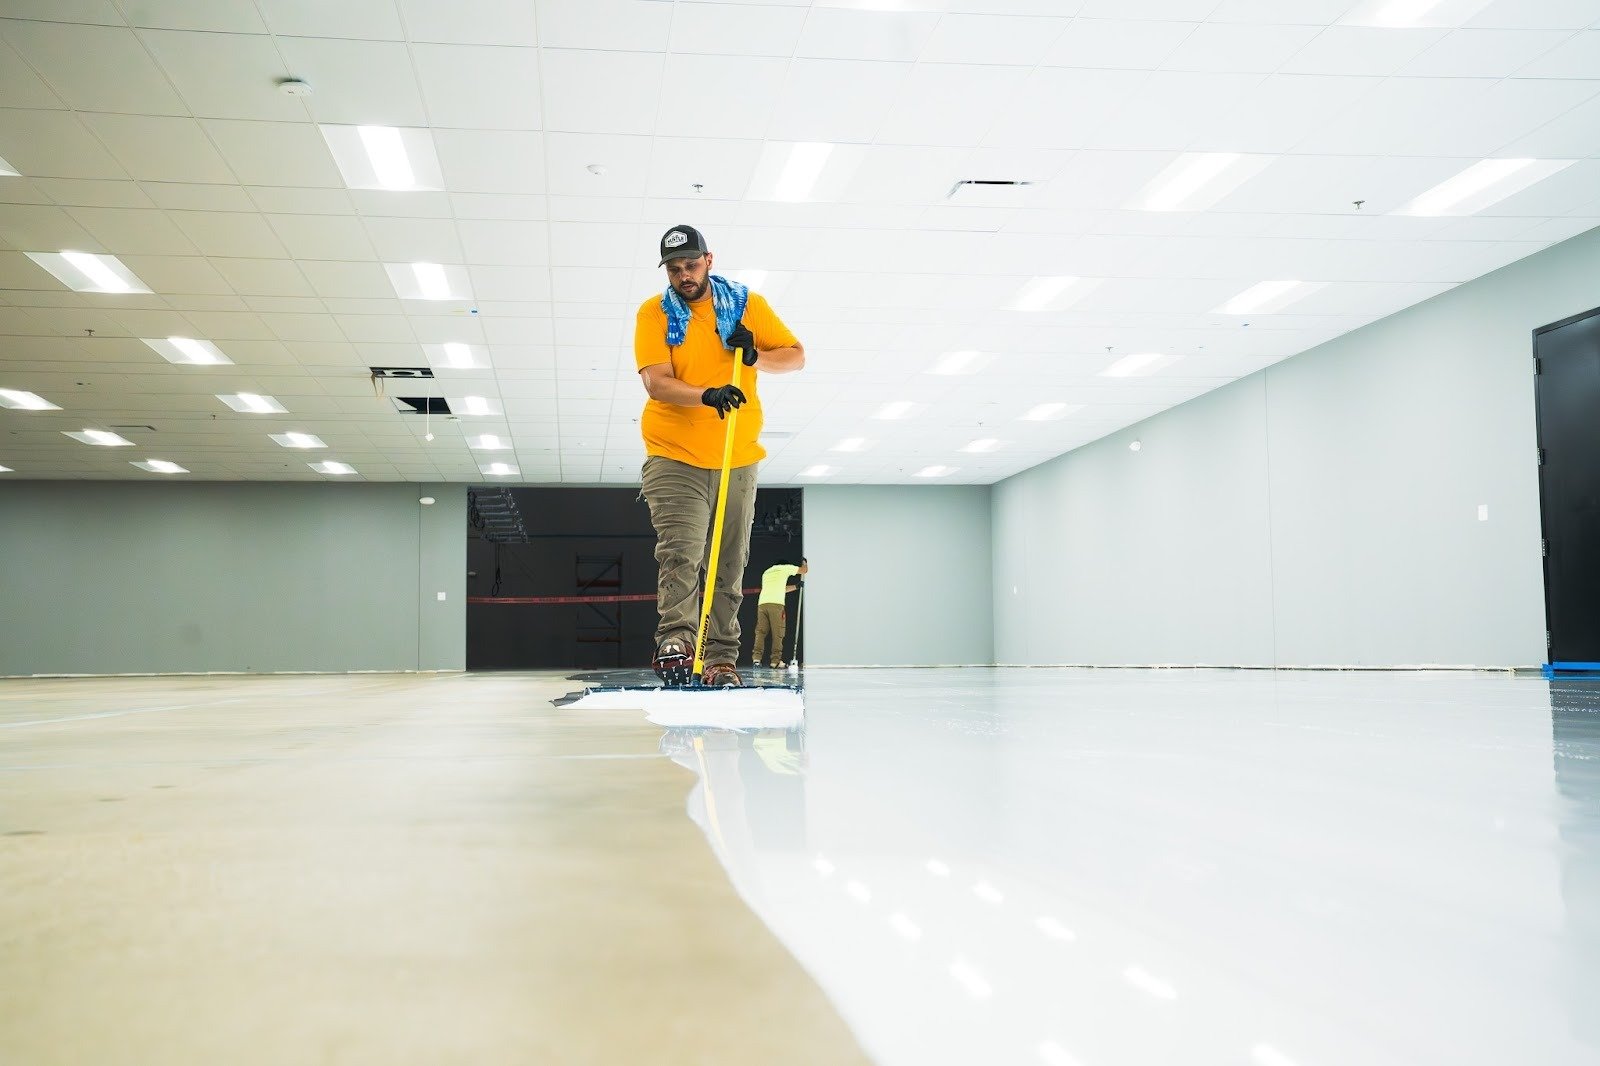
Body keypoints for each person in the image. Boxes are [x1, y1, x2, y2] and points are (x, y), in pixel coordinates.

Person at [635, 225, 805, 688]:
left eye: (690, 264)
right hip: (674, 454)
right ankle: (676, 640)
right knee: (682, 553)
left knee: (731, 561)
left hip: (737, 455)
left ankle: (721, 659)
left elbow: (795, 356)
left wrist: (754, 357)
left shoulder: (747, 304)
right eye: (674, 268)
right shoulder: (654, 313)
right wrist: (707, 394)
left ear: (709, 260)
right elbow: (656, 381)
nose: (683, 275)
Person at [752, 558, 807, 669]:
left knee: (761, 632)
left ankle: (756, 660)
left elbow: (781, 589)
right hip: (776, 605)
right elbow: (804, 570)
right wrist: (805, 563)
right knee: (778, 633)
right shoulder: (785, 568)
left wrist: (796, 586)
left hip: (762, 604)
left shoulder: (767, 572)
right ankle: (775, 661)